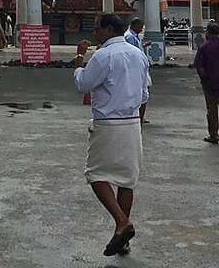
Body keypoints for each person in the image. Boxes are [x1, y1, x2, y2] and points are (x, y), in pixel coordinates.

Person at [73, 14, 150, 257]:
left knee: (95, 174)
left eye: (97, 29)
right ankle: (122, 236)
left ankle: (121, 221)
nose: (95, 33)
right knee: (127, 180)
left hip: (108, 122)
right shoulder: (138, 54)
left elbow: (83, 84)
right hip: (132, 121)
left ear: (107, 30)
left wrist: (78, 61)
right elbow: (145, 93)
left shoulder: (103, 55)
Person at [193, 23, 219, 150]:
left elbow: (199, 67)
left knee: (211, 111)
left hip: (210, 84)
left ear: (208, 33)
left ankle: (213, 135)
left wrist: (204, 80)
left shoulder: (204, 47)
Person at [122, 18, 151, 124]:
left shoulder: (133, 36)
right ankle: (139, 116)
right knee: (143, 92)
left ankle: (139, 116)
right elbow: (131, 53)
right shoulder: (129, 36)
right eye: (140, 26)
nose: (141, 29)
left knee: (143, 91)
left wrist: (143, 45)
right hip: (136, 68)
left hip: (139, 66)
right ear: (135, 25)